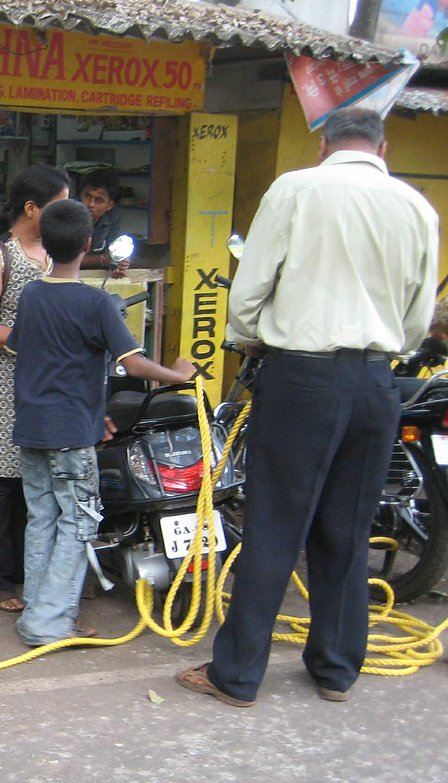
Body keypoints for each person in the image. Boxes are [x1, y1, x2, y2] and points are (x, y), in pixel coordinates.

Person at [176, 107, 439, 707]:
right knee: (348, 531)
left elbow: (250, 291)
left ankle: (237, 675)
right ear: (383, 147)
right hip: (377, 381)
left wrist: (249, 336)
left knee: (274, 525)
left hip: (301, 378)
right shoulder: (416, 207)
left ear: (324, 144)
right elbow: (418, 316)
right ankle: (336, 669)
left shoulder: (296, 188)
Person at [9, 199, 195, 646]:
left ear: (46, 243)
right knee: (78, 524)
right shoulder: (96, 303)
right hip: (71, 435)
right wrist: (179, 374)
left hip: (33, 428)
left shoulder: (32, 294)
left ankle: (41, 608)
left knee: (43, 520)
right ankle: (46, 623)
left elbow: (23, 351)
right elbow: (134, 364)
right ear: (89, 245)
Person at [0, 163, 71, 613]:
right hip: (8, 381)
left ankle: (29, 567)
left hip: (51, 382)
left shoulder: (55, 253)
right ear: (30, 208)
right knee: (4, 478)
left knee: (38, 477)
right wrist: (37, 340)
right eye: (59, 205)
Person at [79, 170, 128, 277]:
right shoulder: (67, 215)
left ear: (109, 205)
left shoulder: (112, 218)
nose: (91, 204)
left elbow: (113, 251)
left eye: (99, 200)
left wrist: (118, 265)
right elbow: (61, 260)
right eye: (87, 196)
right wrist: (104, 259)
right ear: (80, 195)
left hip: (95, 277)